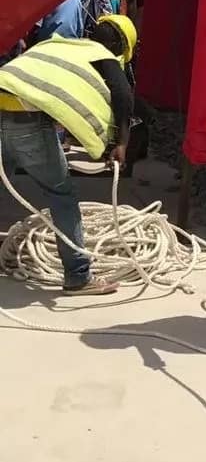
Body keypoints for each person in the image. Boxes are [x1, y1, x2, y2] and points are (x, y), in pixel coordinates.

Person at [0, 15, 137, 295]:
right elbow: (123, 95)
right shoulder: (100, 54)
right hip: (27, 122)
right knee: (61, 195)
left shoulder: (59, 45)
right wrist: (121, 142)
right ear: (119, 46)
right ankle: (78, 276)